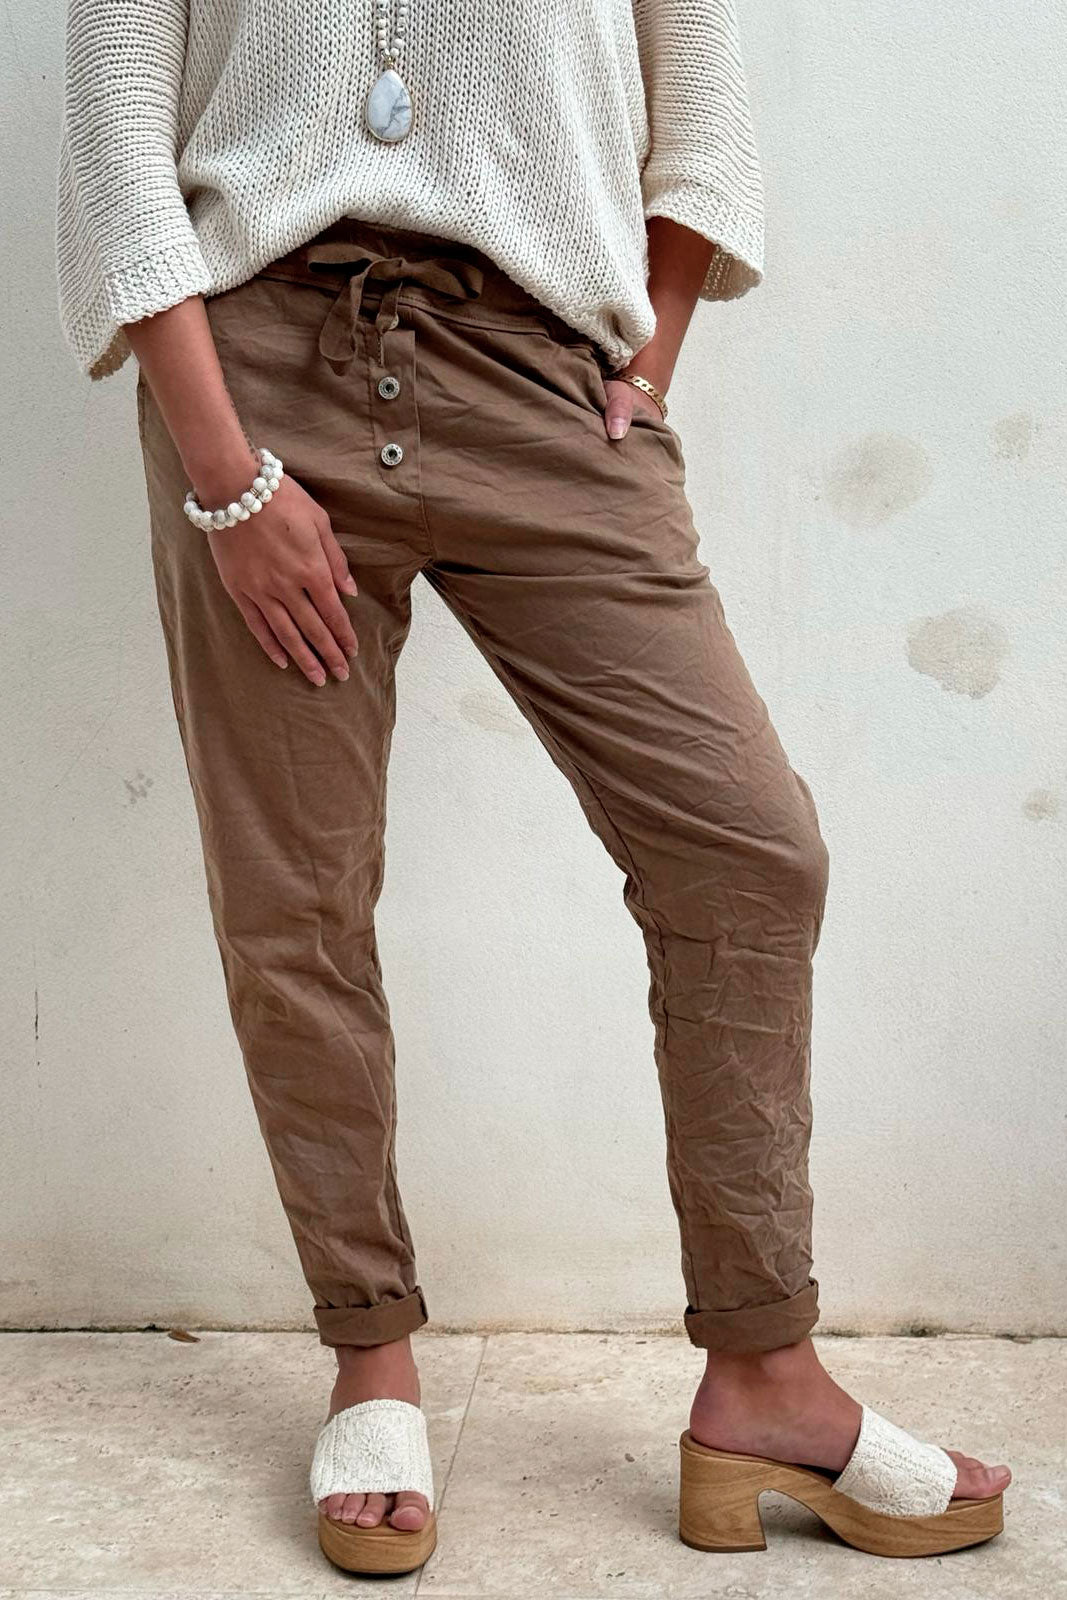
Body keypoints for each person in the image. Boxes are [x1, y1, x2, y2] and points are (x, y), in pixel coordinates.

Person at [55, 0, 1010, 1576]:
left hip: (546, 378)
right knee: (297, 897)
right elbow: (114, 144)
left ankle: (765, 1375)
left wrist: (656, 350)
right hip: (258, 375)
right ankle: (371, 1353)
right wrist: (223, 475)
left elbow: (700, 103)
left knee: (751, 854)